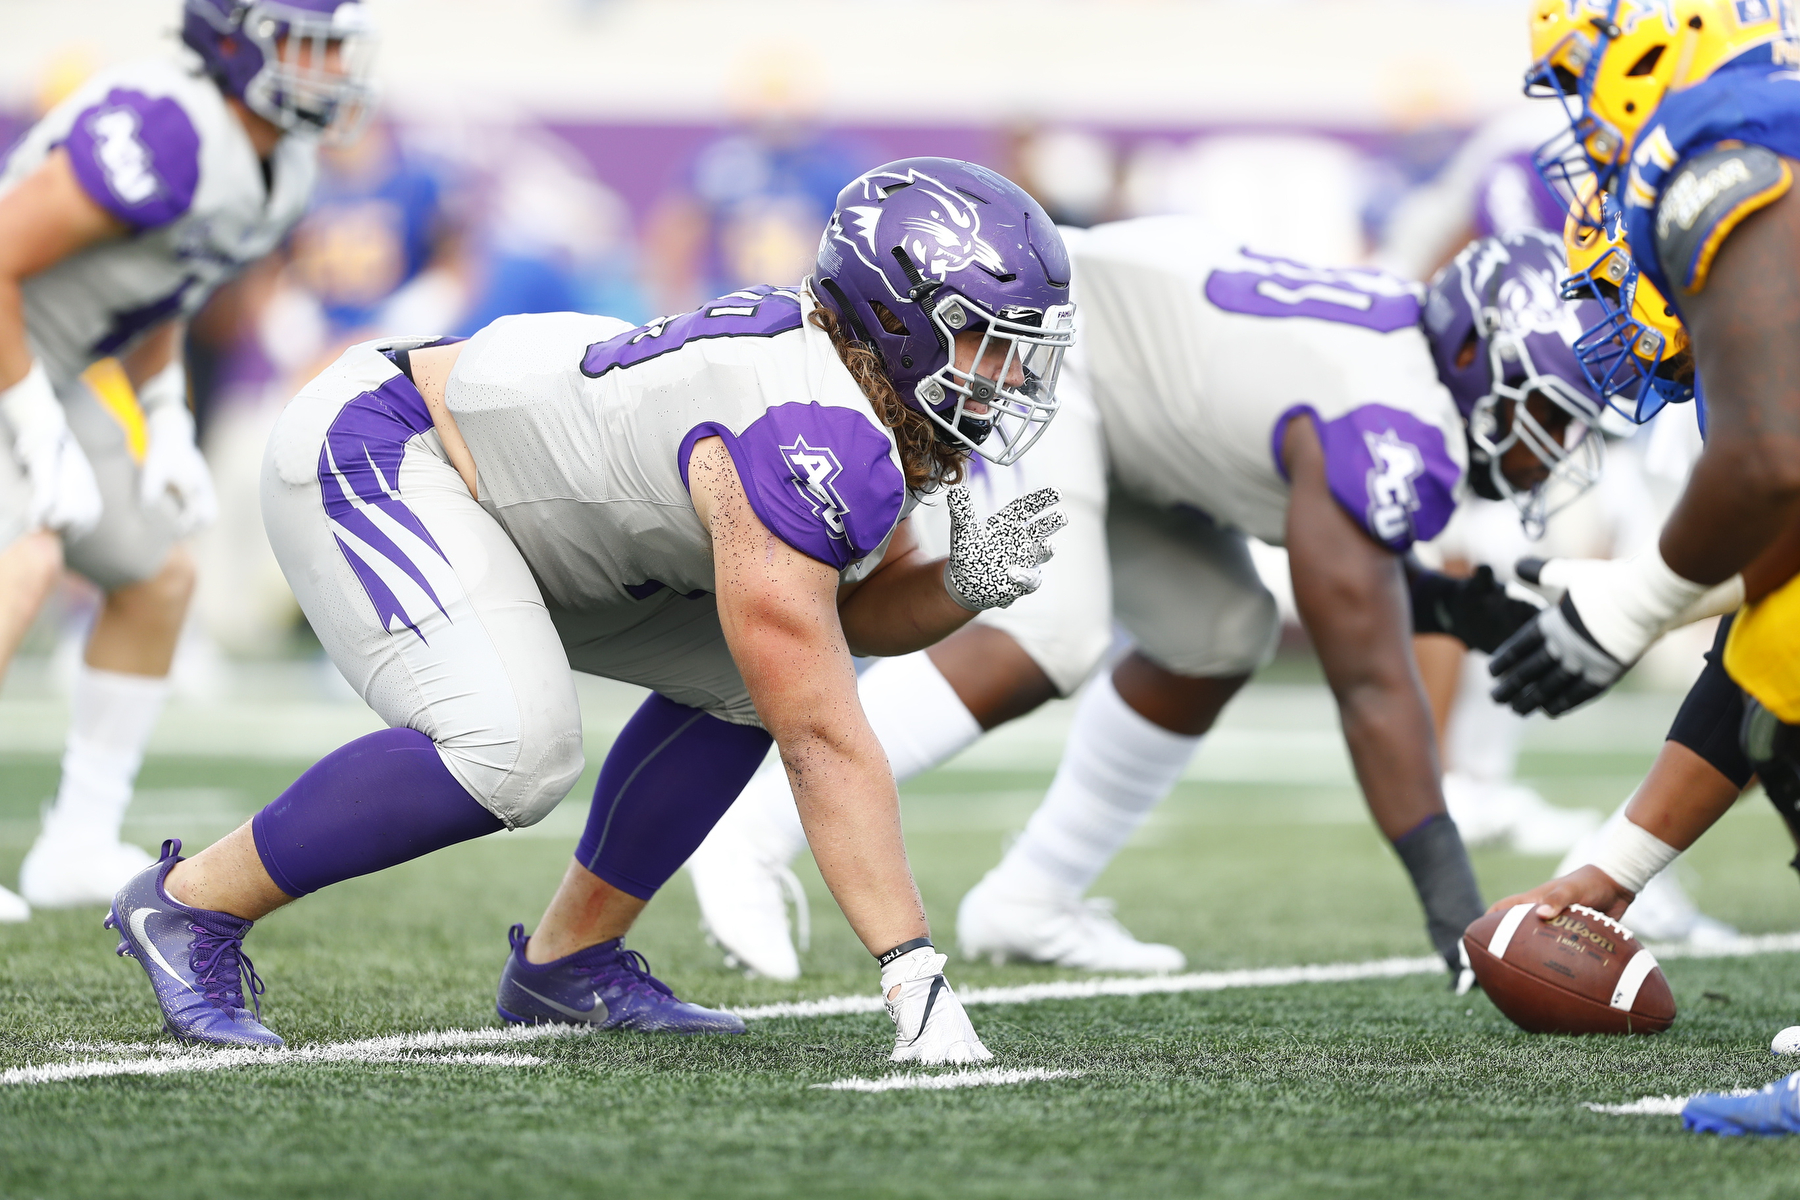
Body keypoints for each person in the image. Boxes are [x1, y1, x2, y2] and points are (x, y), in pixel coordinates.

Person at [105, 158, 1077, 1066]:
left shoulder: (859, 400)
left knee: (750, 679)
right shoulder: (808, 433)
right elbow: (821, 734)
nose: (1007, 375)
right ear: (899, 321)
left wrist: (956, 585)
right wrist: (912, 971)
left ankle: (569, 963)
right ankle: (190, 904)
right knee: (514, 749)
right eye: (984, 340)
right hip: (391, 447)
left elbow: (844, 621)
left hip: (531, 509)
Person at [687, 221, 1608, 983]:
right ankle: (750, 828)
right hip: (1056, 353)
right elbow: (1367, 675)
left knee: (1217, 633)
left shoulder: (1395, 385)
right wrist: (1455, 909)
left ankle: (1033, 897)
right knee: (1049, 630)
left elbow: (1347, 570)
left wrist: (1448, 607)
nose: (1557, 446)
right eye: (1554, 412)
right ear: (1473, 353)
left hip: (1136, 413)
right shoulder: (1392, 413)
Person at [1488, 0, 1800, 1134]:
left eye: (1584, 88)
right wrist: (1611, 873)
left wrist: (1629, 604)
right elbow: (1771, 615)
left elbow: (1773, 468)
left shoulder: (1730, 140)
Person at [0, 0, 373, 921]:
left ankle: (77, 838)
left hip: (55, 360)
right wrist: (30, 418)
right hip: (18, 355)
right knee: (28, 560)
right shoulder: (167, 127)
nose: (323, 71)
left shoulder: (279, 166)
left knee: (158, 577)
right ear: (235, 39)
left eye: (333, 52)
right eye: (303, 46)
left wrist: (165, 412)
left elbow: (169, 272)